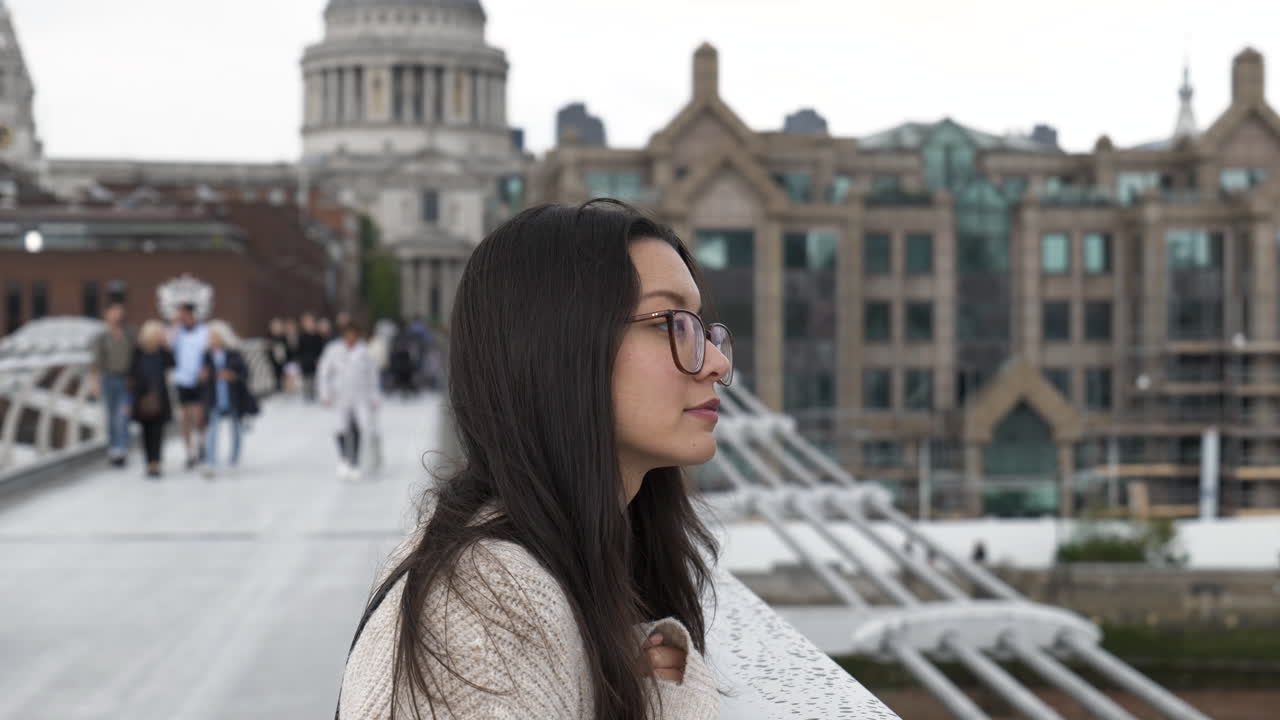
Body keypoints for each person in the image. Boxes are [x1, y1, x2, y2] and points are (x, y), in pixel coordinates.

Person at [335, 201, 732, 719]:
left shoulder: (569, 556)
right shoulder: (485, 606)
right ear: (558, 346)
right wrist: (674, 675)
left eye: (702, 328)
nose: (718, 363)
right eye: (669, 323)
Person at [318, 319, 380, 480]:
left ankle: (355, 461)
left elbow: (372, 376)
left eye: (354, 334)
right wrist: (325, 394)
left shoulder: (364, 351)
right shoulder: (333, 350)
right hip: (340, 395)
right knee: (340, 427)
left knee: (360, 426)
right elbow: (324, 372)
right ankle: (344, 458)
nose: (351, 337)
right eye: (348, 334)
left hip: (360, 395)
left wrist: (374, 396)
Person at [199, 321, 252, 478]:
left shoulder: (233, 353)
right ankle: (211, 460)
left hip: (232, 396)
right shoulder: (206, 355)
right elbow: (202, 377)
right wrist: (203, 376)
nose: (211, 339)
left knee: (235, 429)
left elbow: (245, 373)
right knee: (212, 430)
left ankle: (234, 459)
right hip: (214, 397)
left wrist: (232, 375)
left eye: (214, 336)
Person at [90, 302, 136, 467]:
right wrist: (95, 383)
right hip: (108, 379)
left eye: (120, 312)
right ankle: (114, 448)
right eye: (114, 312)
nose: (117, 316)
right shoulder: (102, 337)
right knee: (110, 416)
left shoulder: (128, 335)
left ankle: (122, 448)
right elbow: (96, 363)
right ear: (107, 314)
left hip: (125, 379)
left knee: (122, 415)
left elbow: (135, 359)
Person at [128, 320, 175, 479]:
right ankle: (149, 462)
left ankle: (156, 463)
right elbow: (132, 373)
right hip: (142, 397)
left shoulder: (162, 352)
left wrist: (166, 345)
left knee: (158, 432)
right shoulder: (138, 352)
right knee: (146, 432)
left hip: (160, 397)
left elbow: (173, 363)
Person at [169, 302, 209, 469]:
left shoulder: (204, 332)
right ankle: (189, 452)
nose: (182, 318)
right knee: (184, 417)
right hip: (182, 379)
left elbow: (210, 351)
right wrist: (174, 327)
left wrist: (206, 369)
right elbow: (168, 345)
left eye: (184, 314)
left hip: (199, 379)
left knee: (199, 416)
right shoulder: (178, 333)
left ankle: (201, 442)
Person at [298, 313, 326, 402]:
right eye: (307, 323)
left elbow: (320, 348)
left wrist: (319, 358)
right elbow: (299, 349)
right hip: (305, 361)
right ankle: (307, 395)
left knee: (315, 378)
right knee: (307, 379)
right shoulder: (301, 336)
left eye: (311, 322)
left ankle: (315, 394)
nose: (309, 325)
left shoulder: (318, 336)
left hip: (315, 361)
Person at [268, 317, 289, 393]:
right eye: (274, 326)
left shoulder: (284, 339)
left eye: (278, 326)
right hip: (273, 368)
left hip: (284, 367)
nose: (276, 328)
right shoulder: (269, 340)